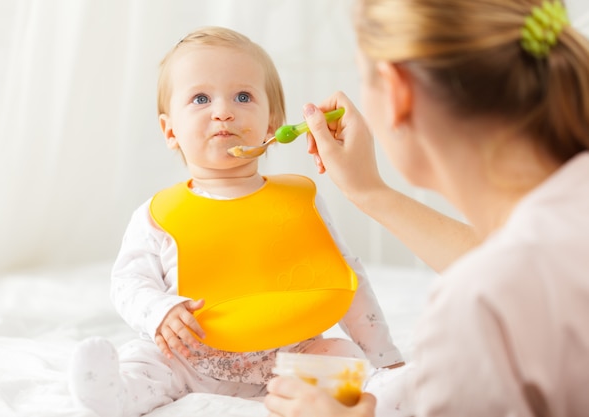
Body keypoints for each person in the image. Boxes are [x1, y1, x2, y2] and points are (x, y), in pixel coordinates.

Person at [265, 0, 589, 416]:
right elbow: (528, 269)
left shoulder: (476, 309)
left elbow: (504, 285)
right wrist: (370, 192)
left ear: (397, 92)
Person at [68, 26, 403, 417]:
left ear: (271, 123)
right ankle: (114, 396)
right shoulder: (157, 215)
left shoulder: (301, 201)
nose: (223, 110)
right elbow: (128, 281)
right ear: (170, 130)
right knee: (144, 358)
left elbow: (344, 277)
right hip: (191, 355)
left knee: (342, 359)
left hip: (289, 349)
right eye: (200, 98)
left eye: (242, 96)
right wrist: (159, 310)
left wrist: (385, 357)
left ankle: (393, 388)